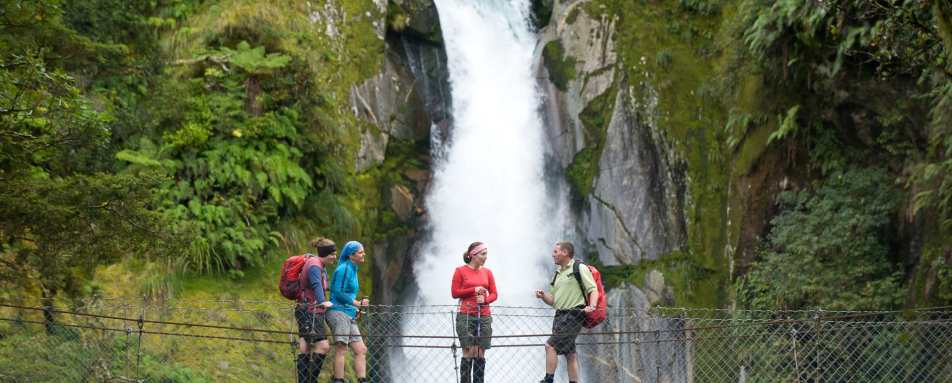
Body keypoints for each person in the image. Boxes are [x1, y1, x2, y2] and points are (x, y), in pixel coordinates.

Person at [534, 241, 598, 383]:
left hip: (574, 314)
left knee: (550, 346)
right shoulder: (557, 273)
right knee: (570, 354)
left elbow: (593, 289)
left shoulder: (579, 267)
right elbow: (553, 300)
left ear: (565, 252)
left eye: (556, 252)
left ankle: (548, 380)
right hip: (560, 315)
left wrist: (592, 306)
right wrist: (543, 295)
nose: (553, 255)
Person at [451, 242, 498, 383]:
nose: (486, 257)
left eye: (486, 254)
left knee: (480, 352)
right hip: (465, 314)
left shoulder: (487, 272)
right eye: (483, 254)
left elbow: (495, 294)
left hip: (484, 314)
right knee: (468, 351)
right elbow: (454, 293)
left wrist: (485, 300)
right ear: (473, 255)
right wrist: (473, 290)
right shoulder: (460, 271)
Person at [327, 241, 370, 383]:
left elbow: (347, 294)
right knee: (341, 348)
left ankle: (362, 380)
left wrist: (355, 308)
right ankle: (338, 380)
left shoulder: (353, 269)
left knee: (361, 349)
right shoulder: (344, 269)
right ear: (351, 255)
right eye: (360, 252)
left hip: (348, 313)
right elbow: (337, 292)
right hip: (338, 312)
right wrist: (356, 303)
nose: (364, 254)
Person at [295, 238, 337, 383]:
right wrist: (322, 301)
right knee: (323, 346)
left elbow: (321, 285)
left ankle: (304, 381)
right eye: (332, 253)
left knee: (305, 346)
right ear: (325, 253)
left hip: (306, 308)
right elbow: (316, 284)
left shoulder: (318, 264)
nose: (335, 256)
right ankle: (310, 380)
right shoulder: (315, 265)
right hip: (310, 311)